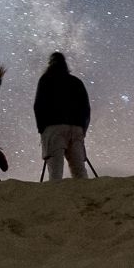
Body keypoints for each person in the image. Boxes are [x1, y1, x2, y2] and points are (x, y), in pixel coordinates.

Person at [33, 50, 90, 179]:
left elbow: (38, 106)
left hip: (53, 128)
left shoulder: (46, 79)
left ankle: (55, 198)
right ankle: (85, 197)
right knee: (79, 170)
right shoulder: (76, 82)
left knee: (55, 172)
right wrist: (82, 129)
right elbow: (86, 108)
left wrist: (42, 129)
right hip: (76, 129)